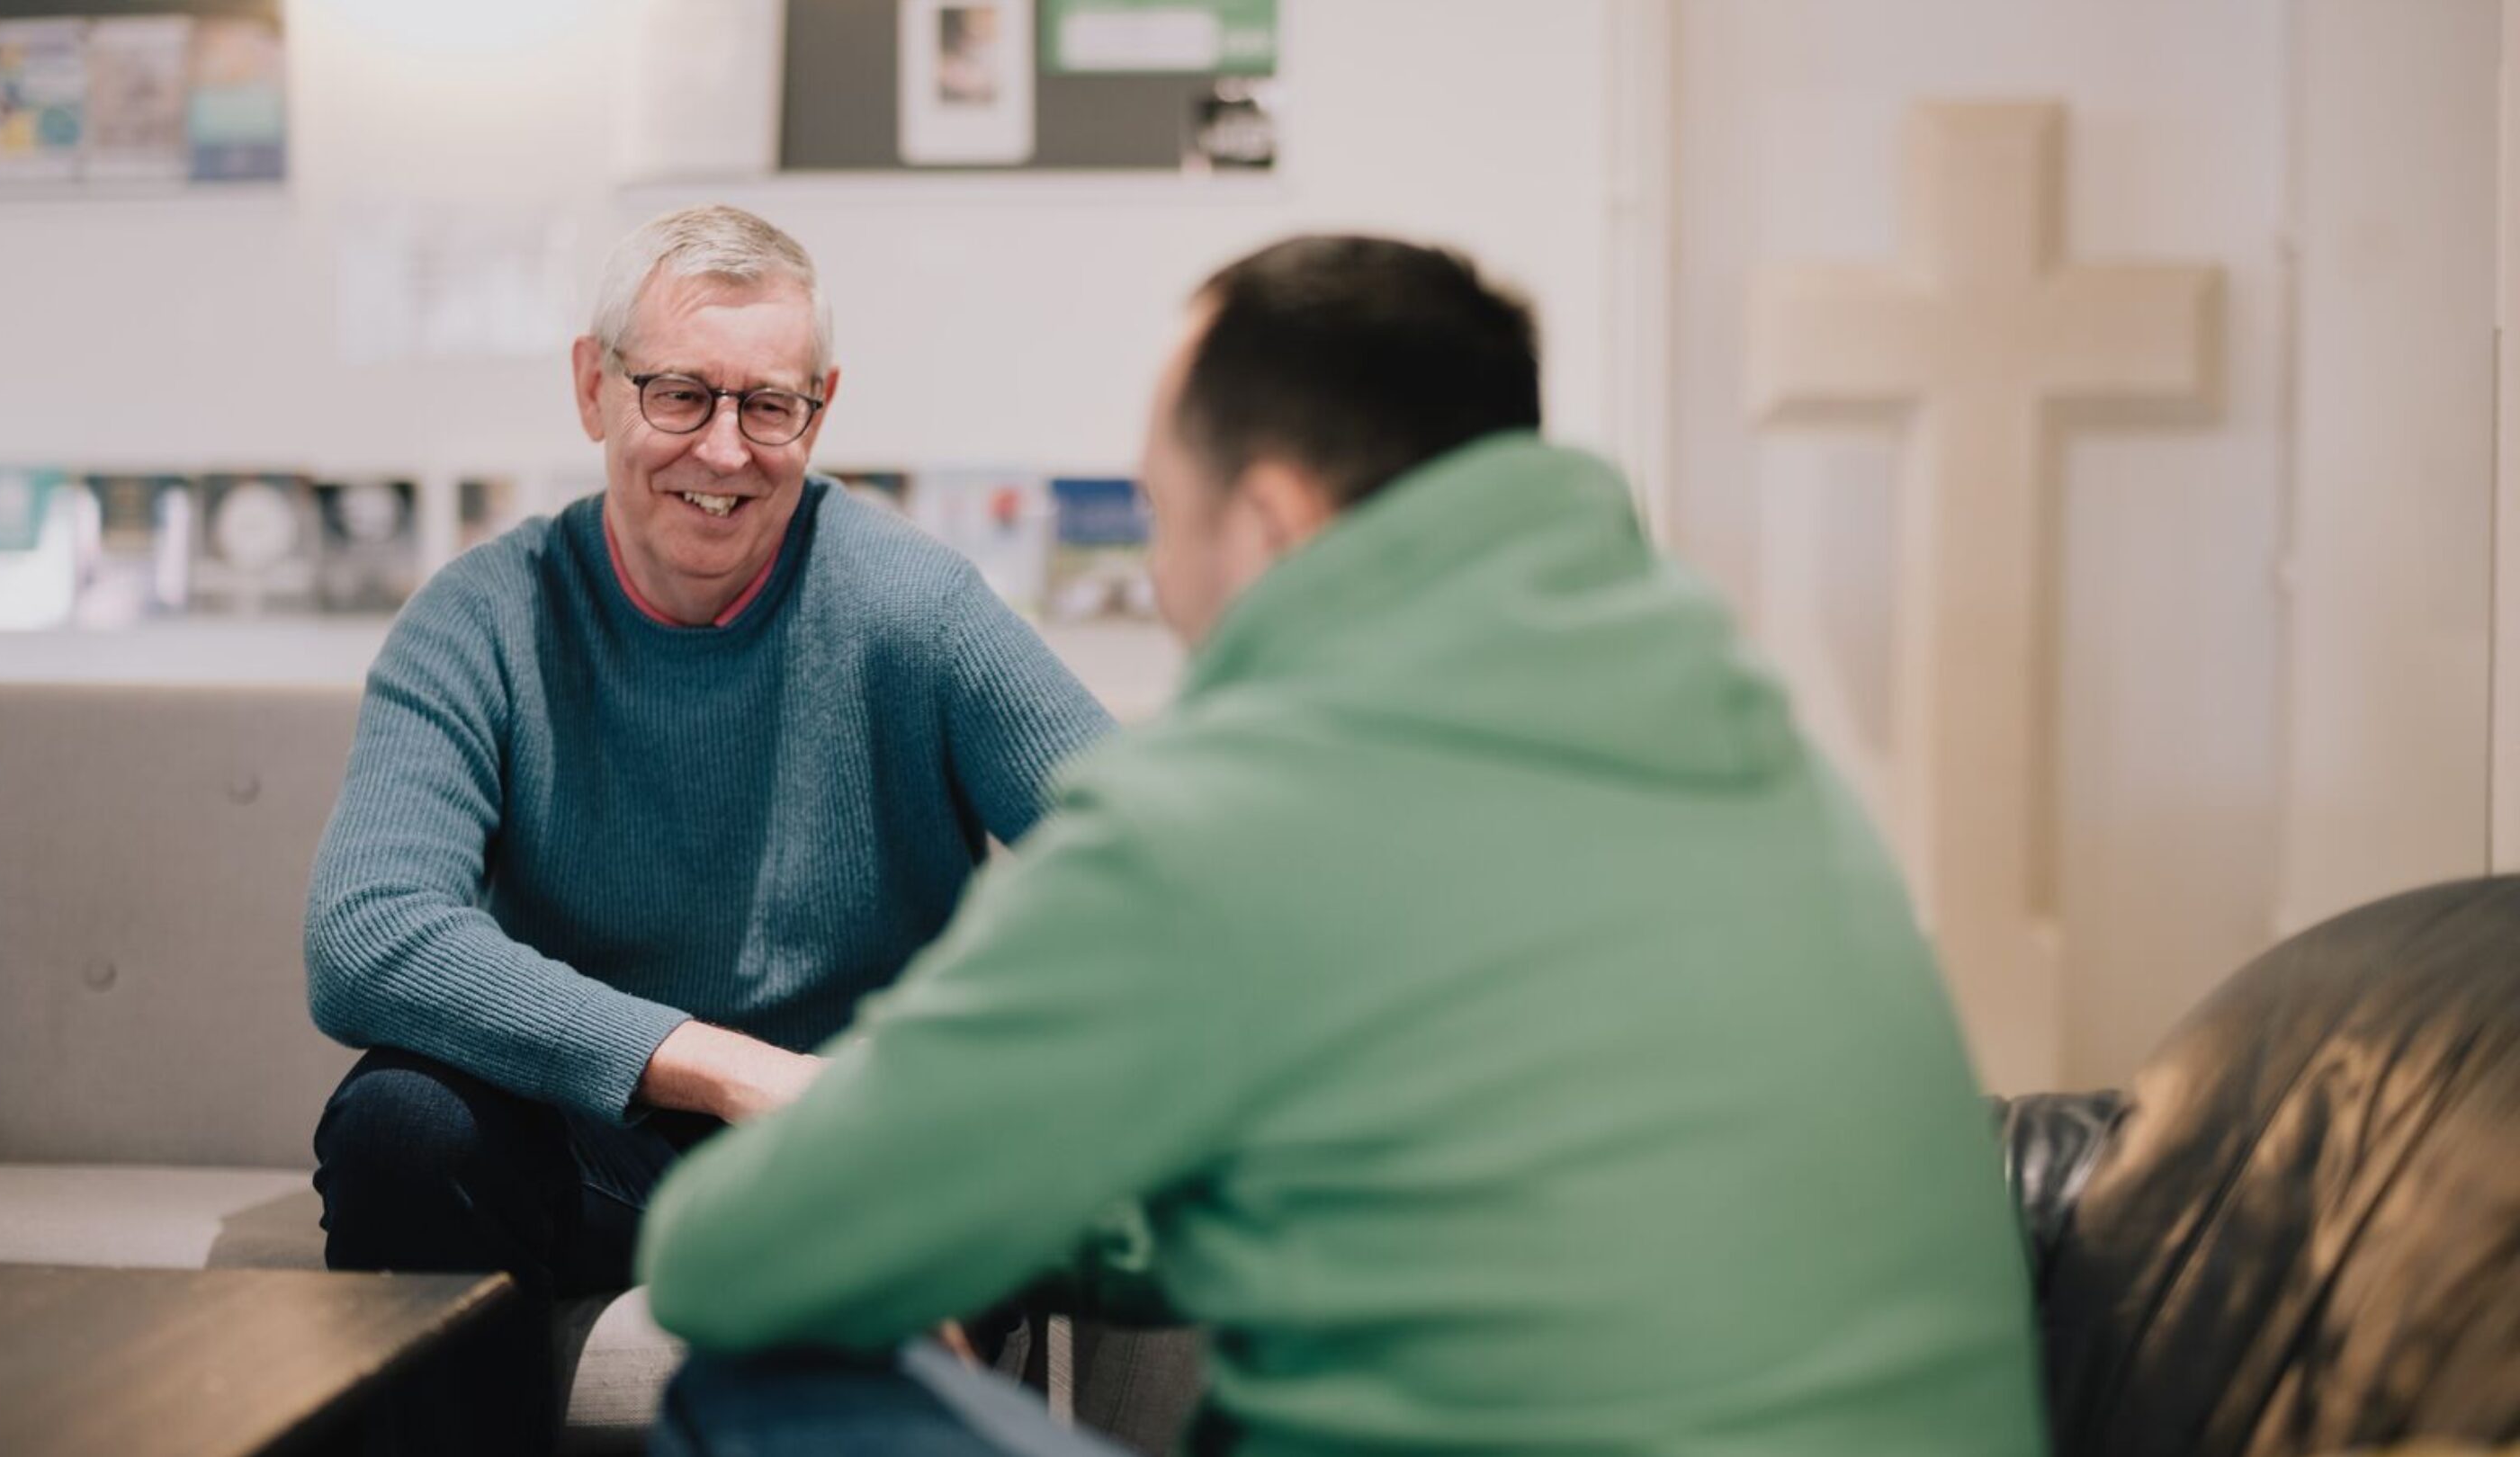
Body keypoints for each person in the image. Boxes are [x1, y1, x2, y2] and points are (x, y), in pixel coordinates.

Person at [635, 235, 2050, 1456]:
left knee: (761, 1378)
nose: (1167, 581)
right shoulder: (1761, 763)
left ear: (1269, 520)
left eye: (1162, 518)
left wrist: (927, 1218)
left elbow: (728, 1256)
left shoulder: (1233, 812)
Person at [303, 204, 1113, 1456]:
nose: (725, 452)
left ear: (821, 408)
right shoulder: (482, 618)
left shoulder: (917, 610)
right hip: (595, 1147)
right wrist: (735, 1072)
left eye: (768, 406)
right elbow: (366, 935)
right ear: (595, 387)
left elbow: (1146, 871)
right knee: (402, 1123)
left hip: (860, 1150)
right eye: (680, 395)